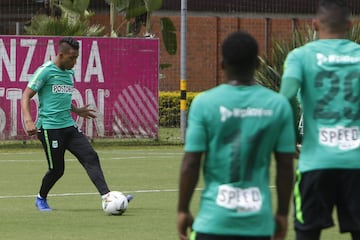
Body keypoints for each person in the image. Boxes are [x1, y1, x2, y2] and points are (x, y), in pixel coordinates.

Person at [177, 31, 296, 240]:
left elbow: (191, 163)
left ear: (222, 64)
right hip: (258, 224)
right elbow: (286, 165)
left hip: (213, 223)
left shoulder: (204, 103)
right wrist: (282, 214)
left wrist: (183, 209)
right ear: (258, 64)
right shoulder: (278, 105)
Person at [21, 37, 132, 212]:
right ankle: (40, 198)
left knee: (90, 157)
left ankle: (108, 197)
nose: (75, 62)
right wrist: (28, 120)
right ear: (61, 54)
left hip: (68, 126)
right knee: (57, 169)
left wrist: (76, 110)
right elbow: (25, 95)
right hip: (50, 129)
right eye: (72, 58)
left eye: (77, 58)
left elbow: (59, 99)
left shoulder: (69, 73)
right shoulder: (45, 71)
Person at [280, 0, 360, 239]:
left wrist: (291, 139)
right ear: (350, 25)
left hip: (315, 162)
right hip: (356, 163)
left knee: (307, 232)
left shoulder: (300, 56)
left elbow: (285, 100)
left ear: (314, 24)